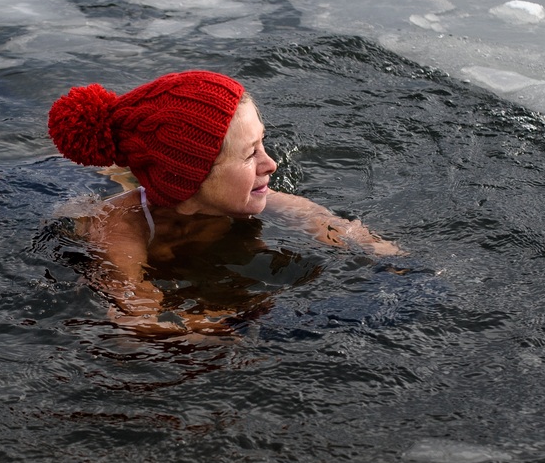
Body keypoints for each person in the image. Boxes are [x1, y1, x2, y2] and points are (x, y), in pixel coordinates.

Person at [48, 70, 400, 336]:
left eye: (263, 143)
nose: (271, 164)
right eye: (251, 155)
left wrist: (388, 258)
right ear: (191, 180)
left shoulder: (250, 196)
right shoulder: (119, 231)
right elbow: (137, 319)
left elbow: (323, 221)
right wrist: (234, 329)